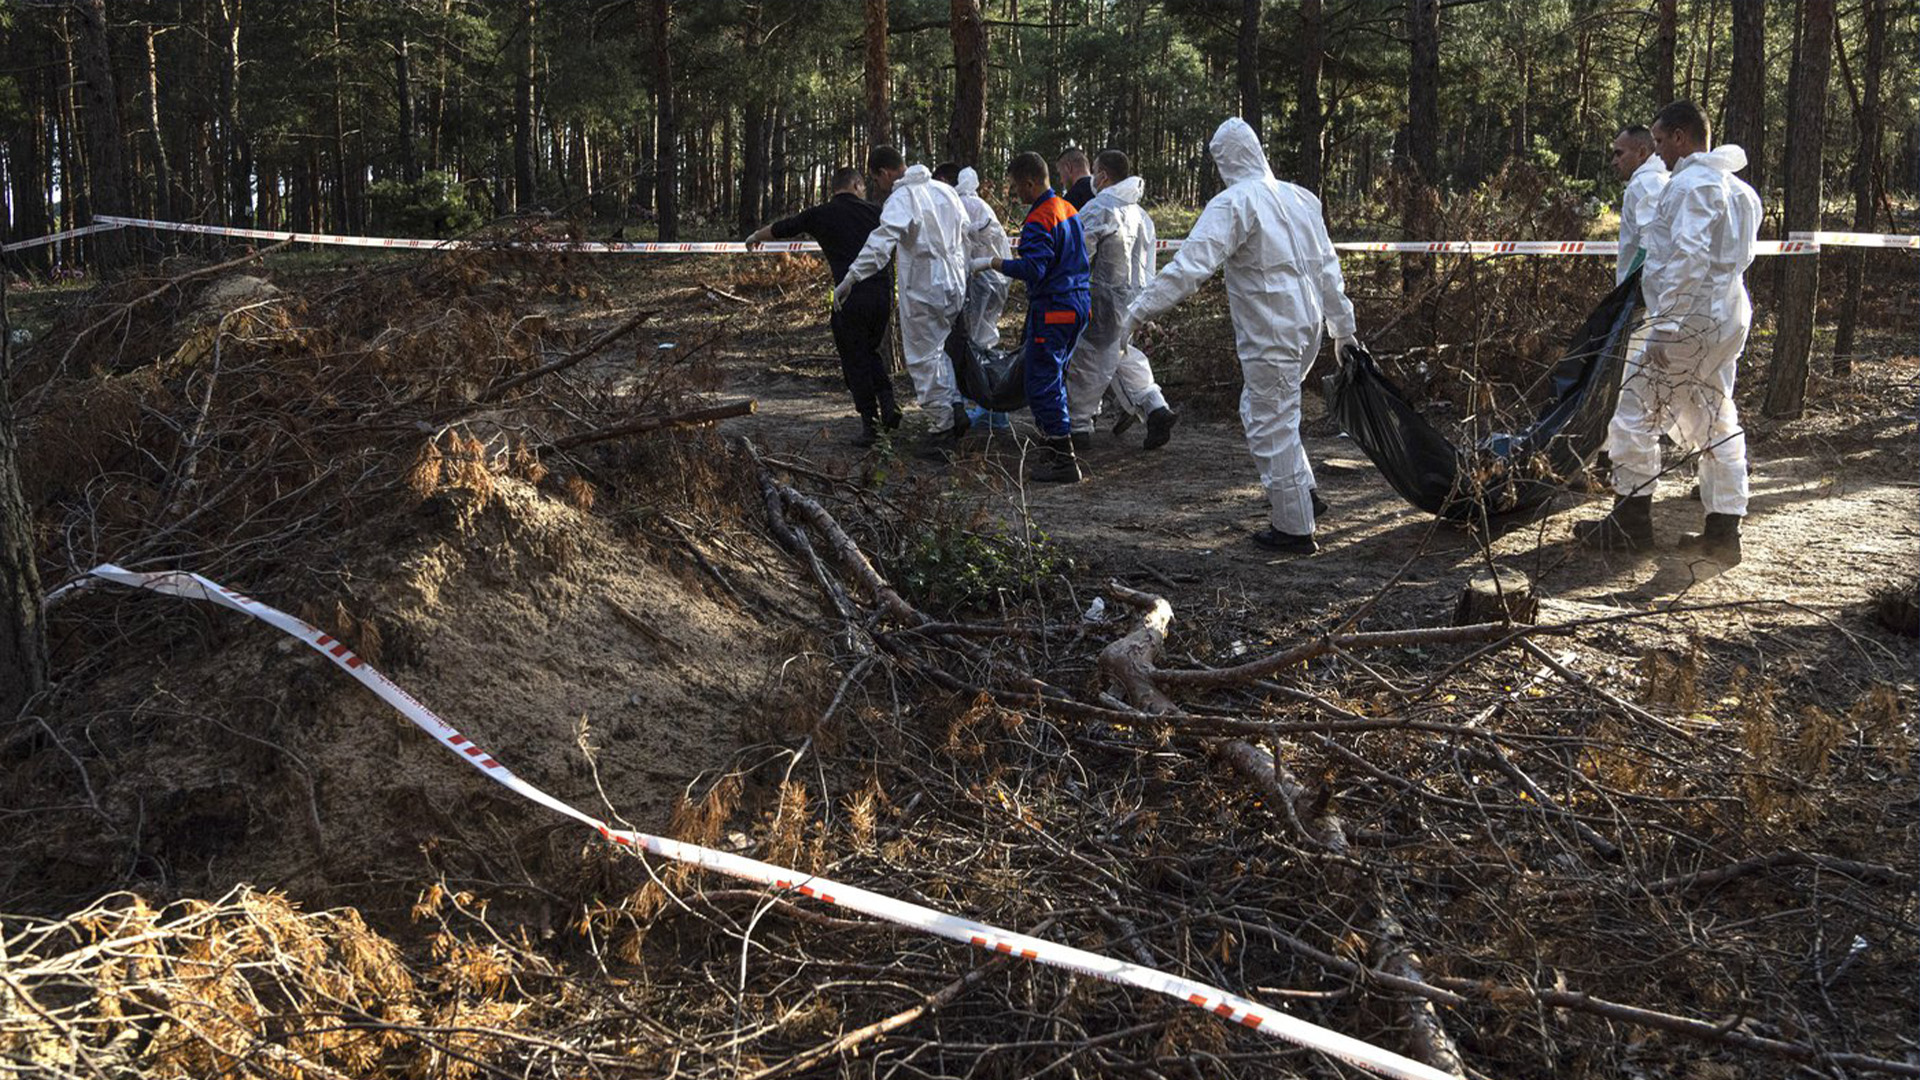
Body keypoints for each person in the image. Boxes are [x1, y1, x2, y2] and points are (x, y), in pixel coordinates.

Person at [1123, 117, 1357, 556]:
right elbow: (1329, 269)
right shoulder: (1300, 198)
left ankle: (1294, 527)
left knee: (1272, 424)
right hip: (1306, 328)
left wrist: (1139, 309)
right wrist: (1343, 327)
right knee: (1268, 412)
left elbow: (1190, 266)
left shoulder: (1234, 203)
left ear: (1225, 160)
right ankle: (1304, 494)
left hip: (1272, 331)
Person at [1576, 100, 1759, 564]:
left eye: (1659, 142)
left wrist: (1669, 322)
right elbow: (1735, 257)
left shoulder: (1692, 185)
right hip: (1729, 313)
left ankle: (1630, 521)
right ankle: (1724, 531)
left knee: (1635, 410)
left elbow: (1687, 257)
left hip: (1691, 317)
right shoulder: (1739, 190)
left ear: (1681, 137)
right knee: (1716, 412)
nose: (1658, 153)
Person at [746, 166, 900, 447]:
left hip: (848, 295)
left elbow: (784, 227)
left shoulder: (820, 214)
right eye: (863, 186)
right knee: (871, 351)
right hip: (882, 295)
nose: (864, 190)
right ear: (856, 185)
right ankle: (889, 403)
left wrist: (756, 236)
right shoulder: (876, 213)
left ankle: (870, 424)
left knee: (855, 358)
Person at [839, 146, 973, 453]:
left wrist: (852, 277)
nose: (879, 186)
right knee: (940, 350)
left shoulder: (902, 199)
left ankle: (942, 429)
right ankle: (955, 407)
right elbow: (965, 231)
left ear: (884, 173)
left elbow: (880, 243)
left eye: (877, 180)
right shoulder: (945, 190)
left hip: (925, 285)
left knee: (923, 357)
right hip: (954, 279)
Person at [975, 151, 1092, 482]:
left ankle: (1062, 460)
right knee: (1055, 375)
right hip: (1078, 304)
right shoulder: (1068, 208)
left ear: (1029, 182)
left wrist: (992, 263)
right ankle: (1052, 445)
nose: (1015, 193)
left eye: (1016, 186)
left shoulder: (1041, 217)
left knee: (1042, 380)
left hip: (1054, 307)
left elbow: (1034, 269)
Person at [1064, 148, 1176, 451]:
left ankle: (1078, 428)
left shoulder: (1099, 209)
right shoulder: (1142, 216)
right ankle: (1156, 407)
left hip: (1101, 301)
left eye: (1096, 172)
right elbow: (1149, 264)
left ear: (1103, 175)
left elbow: (1077, 255)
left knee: (1088, 361)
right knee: (1123, 355)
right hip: (1135, 302)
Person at [933, 161, 1013, 432]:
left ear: (945, 180)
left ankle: (986, 407)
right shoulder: (975, 202)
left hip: (981, 283)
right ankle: (990, 408)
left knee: (976, 346)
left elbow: (958, 248)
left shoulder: (963, 204)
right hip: (991, 282)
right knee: (983, 342)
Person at [1612, 125, 1668, 285]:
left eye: (1619, 153)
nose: (1614, 162)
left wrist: (1627, 295)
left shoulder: (1643, 184)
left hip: (1642, 296)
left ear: (1642, 153)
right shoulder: (1660, 180)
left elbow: (1652, 243)